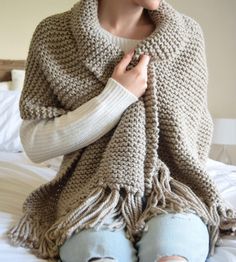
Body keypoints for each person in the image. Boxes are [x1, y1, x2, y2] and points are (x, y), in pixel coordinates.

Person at [7, 0, 236, 261]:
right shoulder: (53, 34)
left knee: (173, 254)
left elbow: (197, 131)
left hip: (174, 188)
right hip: (92, 192)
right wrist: (117, 96)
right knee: (100, 253)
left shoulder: (187, 35)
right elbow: (35, 144)